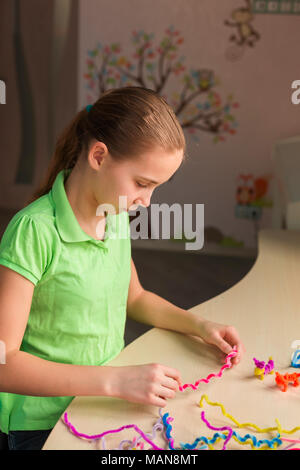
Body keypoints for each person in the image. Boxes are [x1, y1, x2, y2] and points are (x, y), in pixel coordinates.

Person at [0, 86, 245, 450]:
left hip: (101, 404)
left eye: (155, 188)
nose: (146, 203)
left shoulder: (112, 216)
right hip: (43, 425)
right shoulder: (34, 231)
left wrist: (200, 326)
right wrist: (116, 382)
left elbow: (136, 297)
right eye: (142, 184)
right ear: (99, 155)